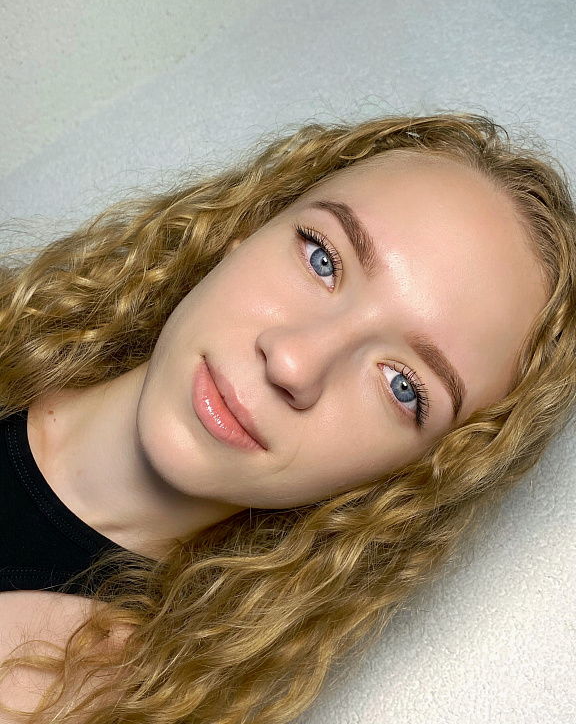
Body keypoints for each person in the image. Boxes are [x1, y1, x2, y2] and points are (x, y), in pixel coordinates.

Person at [0, 112, 574, 723]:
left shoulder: (93, 701)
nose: (294, 363)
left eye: (402, 386)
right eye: (323, 259)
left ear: (411, 475)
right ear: (248, 226)